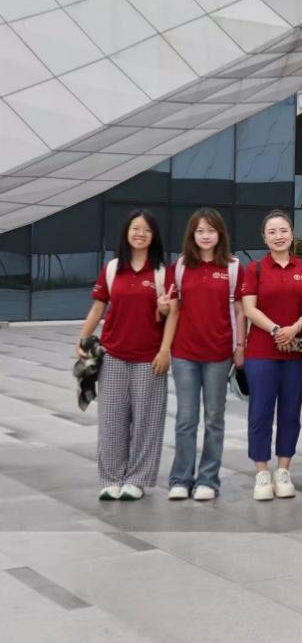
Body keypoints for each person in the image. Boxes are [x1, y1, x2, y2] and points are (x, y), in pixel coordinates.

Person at [77, 209, 178, 500]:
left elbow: (174, 314)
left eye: (147, 229)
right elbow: (98, 307)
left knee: (147, 421)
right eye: (135, 228)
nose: (140, 234)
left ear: (154, 236)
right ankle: (111, 478)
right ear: (126, 232)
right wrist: (83, 339)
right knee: (111, 419)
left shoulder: (163, 272)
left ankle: (137, 480)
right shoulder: (112, 269)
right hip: (113, 355)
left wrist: (165, 350)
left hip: (149, 358)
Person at [167, 208, 244, 501]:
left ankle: (208, 480)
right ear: (192, 235)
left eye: (211, 230)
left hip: (219, 353)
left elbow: (239, 310)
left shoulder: (233, 267)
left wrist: (240, 346)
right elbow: (171, 308)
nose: (206, 236)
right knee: (186, 419)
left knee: (214, 418)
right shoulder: (180, 266)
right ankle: (180, 478)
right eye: (200, 231)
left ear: (220, 234)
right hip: (184, 353)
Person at [240, 210, 302, 502]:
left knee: (290, 412)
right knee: (260, 412)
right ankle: (261, 472)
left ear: (292, 234)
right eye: (272, 232)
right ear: (264, 237)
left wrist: (294, 329)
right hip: (261, 351)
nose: (279, 236)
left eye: (284, 230)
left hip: (297, 352)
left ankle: (283, 470)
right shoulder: (255, 269)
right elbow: (249, 308)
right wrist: (276, 330)